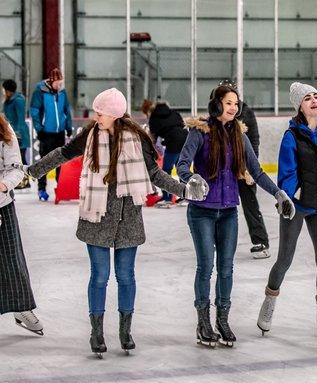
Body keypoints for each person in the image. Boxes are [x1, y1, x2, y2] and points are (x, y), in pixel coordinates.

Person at [24, 88, 206, 358]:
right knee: (99, 276)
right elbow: (63, 154)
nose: (96, 117)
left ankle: (125, 330)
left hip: (128, 217)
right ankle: (96, 332)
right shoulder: (89, 135)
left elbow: (154, 173)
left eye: (100, 113)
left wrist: (183, 190)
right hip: (96, 216)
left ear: (114, 114)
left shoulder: (137, 138)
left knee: (125, 276)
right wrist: (31, 171)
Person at [177, 85, 294, 348]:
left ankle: (222, 318)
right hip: (202, 212)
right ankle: (203, 321)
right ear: (217, 104)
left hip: (229, 212)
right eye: (228, 103)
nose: (233, 108)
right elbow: (182, 164)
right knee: (206, 267)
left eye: (236, 104)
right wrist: (191, 178)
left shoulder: (239, 136)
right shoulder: (200, 132)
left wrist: (278, 194)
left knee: (226, 269)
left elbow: (257, 171)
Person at [256, 82, 317, 339]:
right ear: (299, 105)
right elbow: (286, 174)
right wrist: (287, 199)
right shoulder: (292, 137)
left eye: (316, 97)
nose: (313, 101)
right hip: (296, 207)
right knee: (285, 259)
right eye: (307, 98)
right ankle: (269, 301)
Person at [217, 79, 271, 259]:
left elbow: (253, 140)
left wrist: (250, 167)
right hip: (222, 169)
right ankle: (219, 240)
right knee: (219, 205)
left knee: (250, 204)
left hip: (242, 168)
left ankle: (260, 241)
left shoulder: (246, 113)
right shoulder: (215, 114)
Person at [0, 114, 43, 335]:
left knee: (12, 259)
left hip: (2, 205)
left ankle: (22, 307)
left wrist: (4, 185)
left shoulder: (3, 129)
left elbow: (16, 167)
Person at [29, 68, 73, 201]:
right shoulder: (40, 91)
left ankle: (60, 188)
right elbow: (34, 110)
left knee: (60, 161)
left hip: (59, 133)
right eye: (57, 83)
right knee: (45, 162)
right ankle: (41, 189)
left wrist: (68, 127)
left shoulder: (62, 92)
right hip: (46, 133)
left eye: (61, 83)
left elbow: (67, 110)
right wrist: (39, 129)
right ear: (51, 81)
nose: (59, 86)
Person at [143, 99, 188, 208]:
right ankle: (186, 196)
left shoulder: (154, 117)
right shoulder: (174, 112)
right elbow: (182, 124)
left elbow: (153, 136)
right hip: (185, 139)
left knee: (166, 170)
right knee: (181, 168)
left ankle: (167, 198)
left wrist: (152, 150)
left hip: (172, 142)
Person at [2, 79, 30, 189]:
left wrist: (18, 135)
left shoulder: (18, 101)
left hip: (19, 134)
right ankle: (20, 181)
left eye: (4, 89)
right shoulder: (8, 101)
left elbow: (20, 120)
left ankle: (25, 181)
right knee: (14, 159)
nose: (3, 92)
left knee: (21, 158)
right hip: (11, 133)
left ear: (8, 90)